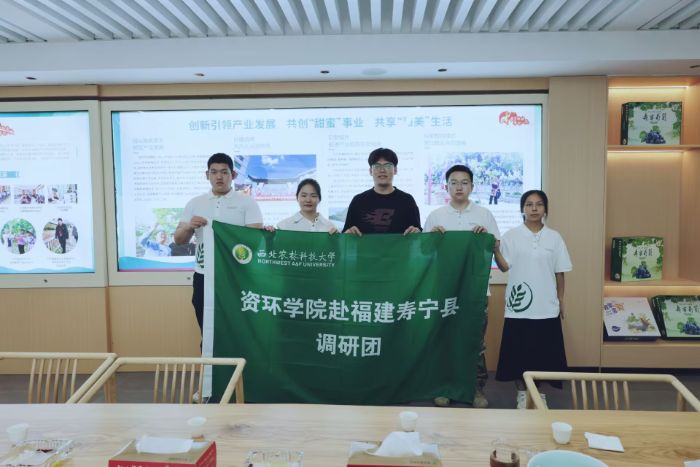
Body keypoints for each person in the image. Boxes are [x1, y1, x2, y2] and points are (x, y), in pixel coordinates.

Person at [424, 164, 500, 409]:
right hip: (443, 289)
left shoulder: (484, 215)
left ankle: (475, 388)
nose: (459, 187)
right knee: (444, 338)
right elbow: (424, 254)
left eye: (464, 182)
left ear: (472, 186)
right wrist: (431, 239)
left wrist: (485, 237)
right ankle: (443, 387)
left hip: (476, 290)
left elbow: (495, 246)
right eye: (454, 182)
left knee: (474, 341)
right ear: (446, 186)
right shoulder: (436, 216)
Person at [494, 190, 572, 409]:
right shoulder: (511, 236)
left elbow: (560, 272)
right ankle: (522, 394)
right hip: (519, 307)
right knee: (518, 353)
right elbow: (504, 266)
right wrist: (496, 251)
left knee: (544, 354)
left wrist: (561, 300)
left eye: (539, 204)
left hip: (546, 306)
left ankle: (539, 395)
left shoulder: (554, 237)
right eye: (529, 204)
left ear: (545, 209)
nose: (534, 208)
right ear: (522, 209)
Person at [174, 152, 263, 340]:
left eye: (224, 172)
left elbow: (255, 240)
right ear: (207, 175)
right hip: (203, 275)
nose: (219, 177)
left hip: (236, 275)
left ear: (234, 175)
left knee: (238, 329)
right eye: (214, 172)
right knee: (207, 330)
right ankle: (208, 360)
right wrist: (189, 226)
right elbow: (179, 240)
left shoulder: (247, 202)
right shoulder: (195, 203)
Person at [343, 148, 421, 236]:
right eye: (377, 166)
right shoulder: (358, 200)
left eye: (387, 166)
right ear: (370, 171)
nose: (382, 170)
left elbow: (418, 234)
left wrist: (416, 231)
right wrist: (348, 233)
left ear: (395, 170)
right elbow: (345, 235)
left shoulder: (407, 200)